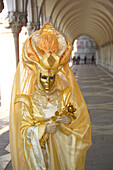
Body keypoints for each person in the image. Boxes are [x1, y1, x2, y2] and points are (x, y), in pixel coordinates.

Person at [9, 22, 92, 170]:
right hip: (41, 155)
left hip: (61, 154)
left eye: (51, 78)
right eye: (44, 78)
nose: (48, 82)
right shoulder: (29, 101)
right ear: (37, 76)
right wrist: (43, 129)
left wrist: (69, 120)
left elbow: (77, 120)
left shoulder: (64, 95)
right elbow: (24, 129)